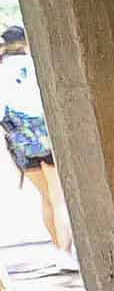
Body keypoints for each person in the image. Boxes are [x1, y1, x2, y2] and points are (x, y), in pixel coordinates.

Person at [1, 25, 74, 272]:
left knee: (46, 197)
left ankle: (58, 248)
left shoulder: (1, 70)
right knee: (59, 196)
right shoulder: (34, 64)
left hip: (20, 142)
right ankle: (65, 251)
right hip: (46, 135)